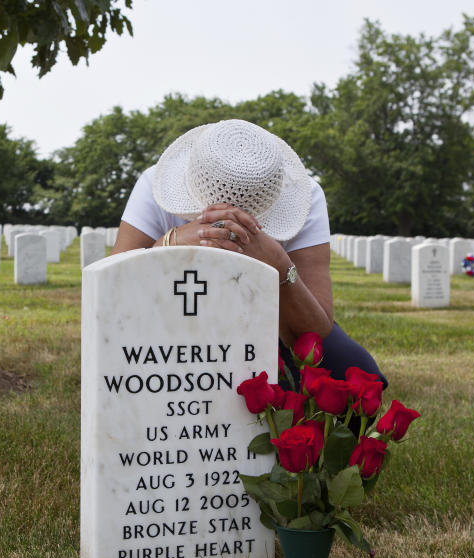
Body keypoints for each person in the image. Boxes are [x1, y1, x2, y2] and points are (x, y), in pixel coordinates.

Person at [110, 119, 387, 391]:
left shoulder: (308, 198)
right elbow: (112, 290)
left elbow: (318, 328)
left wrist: (279, 264)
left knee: (356, 372)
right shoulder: (154, 184)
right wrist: (173, 243)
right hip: (171, 318)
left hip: (270, 320)